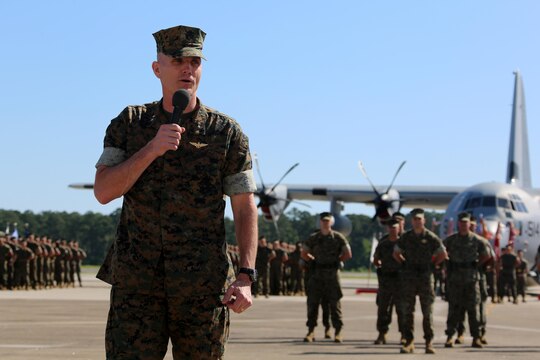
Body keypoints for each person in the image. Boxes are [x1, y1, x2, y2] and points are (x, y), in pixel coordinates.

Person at [93, 25, 258, 359]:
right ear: (157, 68)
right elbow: (104, 191)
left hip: (201, 288)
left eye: (195, 61)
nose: (188, 68)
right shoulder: (129, 123)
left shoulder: (225, 132)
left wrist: (245, 276)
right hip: (137, 287)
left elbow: (244, 208)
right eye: (179, 60)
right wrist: (151, 149)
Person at [393, 208, 447, 354]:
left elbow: (443, 253)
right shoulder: (406, 237)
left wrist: (434, 264)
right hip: (409, 276)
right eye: (415, 219)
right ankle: (409, 341)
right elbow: (396, 253)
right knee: (407, 311)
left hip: (425, 276)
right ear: (412, 221)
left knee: (427, 311)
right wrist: (404, 263)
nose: (417, 221)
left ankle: (429, 342)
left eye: (419, 219)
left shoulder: (430, 237)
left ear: (424, 220)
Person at [301, 212, 352, 343]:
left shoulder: (338, 237)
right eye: (323, 221)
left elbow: (348, 253)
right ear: (320, 222)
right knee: (313, 303)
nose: (325, 223)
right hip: (317, 273)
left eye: (327, 221)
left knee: (335, 304)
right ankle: (310, 331)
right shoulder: (314, 238)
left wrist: (337, 260)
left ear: (331, 222)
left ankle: (338, 331)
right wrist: (312, 260)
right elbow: (304, 253)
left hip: (332, 274)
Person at [443, 212, 490, 349]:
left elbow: (486, 255)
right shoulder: (451, 240)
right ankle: (450, 336)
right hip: (455, 279)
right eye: (462, 223)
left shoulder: (477, 240)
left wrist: (476, 264)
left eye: (466, 223)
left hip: (471, 280)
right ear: (459, 223)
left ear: (470, 224)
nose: (464, 225)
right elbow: (441, 252)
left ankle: (476, 337)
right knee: (453, 309)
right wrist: (449, 264)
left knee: (473, 310)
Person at [372, 218, 404, 345]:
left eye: (395, 228)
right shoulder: (383, 244)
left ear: (399, 229)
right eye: (391, 228)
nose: (393, 230)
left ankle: (404, 335)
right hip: (386, 280)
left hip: (400, 280)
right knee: (383, 309)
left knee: (402, 309)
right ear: (388, 229)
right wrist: (381, 266)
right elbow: (376, 259)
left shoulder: (403, 243)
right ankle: (382, 334)